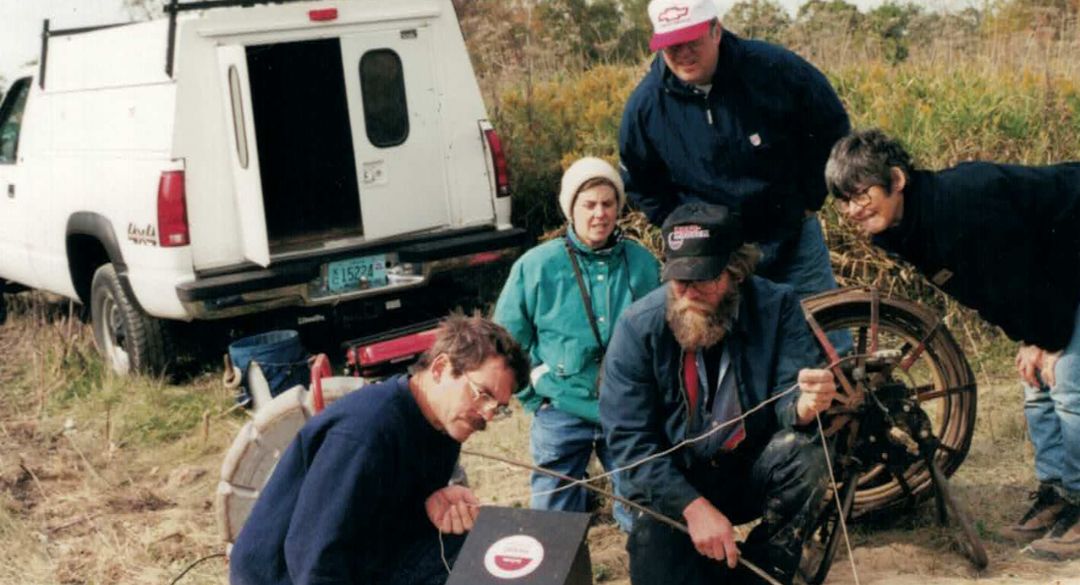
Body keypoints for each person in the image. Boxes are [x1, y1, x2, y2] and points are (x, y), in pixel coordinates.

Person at [825, 128, 1080, 559]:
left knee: (1071, 385)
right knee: (1037, 388)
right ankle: (1059, 493)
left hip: (1069, 256)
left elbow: (1035, 271)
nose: (852, 209)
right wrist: (1028, 340)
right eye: (844, 201)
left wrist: (1049, 340)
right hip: (1050, 274)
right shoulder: (899, 229)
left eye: (861, 194)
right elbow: (984, 288)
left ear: (897, 180)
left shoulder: (963, 205)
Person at [599, 202, 839, 584]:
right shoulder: (635, 329)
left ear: (736, 273)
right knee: (658, 569)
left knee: (804, 454)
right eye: (680, 279)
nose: (688, 292)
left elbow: (787, 395)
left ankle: (766, 568)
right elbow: (630, 446)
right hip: (674, 481)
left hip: (747, 467)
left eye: (703, 278)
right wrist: (693, 508)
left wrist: (804, 406)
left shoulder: (779, 306)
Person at [229, 314, 530, 585]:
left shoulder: (442, 426)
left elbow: (373, 517)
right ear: (440, 368)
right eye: (482, 394)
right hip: (283, 576)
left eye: (498, 407)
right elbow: (313, 558)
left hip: (359, 561)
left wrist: (426, 510)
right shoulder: (367, 433)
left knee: (473, 548)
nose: (487, 414)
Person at [619, 0, 850, 302]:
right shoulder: (646, 106)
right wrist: (684, 225)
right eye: (672, 45)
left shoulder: (776, 70)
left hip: (794, 237)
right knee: (733, 344)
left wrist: (810, 199)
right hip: (714, 255)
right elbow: (638, 178)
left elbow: (831, 128)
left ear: (716, 30)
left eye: (692, 41)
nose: (684, 54)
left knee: (823, 338)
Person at [493, 157, 661, 531]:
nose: (600, 214)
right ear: (570, 209)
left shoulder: (643, 263)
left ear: (619, 207)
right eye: (589, 205)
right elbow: (505, 340)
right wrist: (533, 393)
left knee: (645, 516)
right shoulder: (535, 266)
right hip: (560, 409)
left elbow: (663, 335)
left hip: (627, 410)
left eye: (608, 203)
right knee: (553, 526)